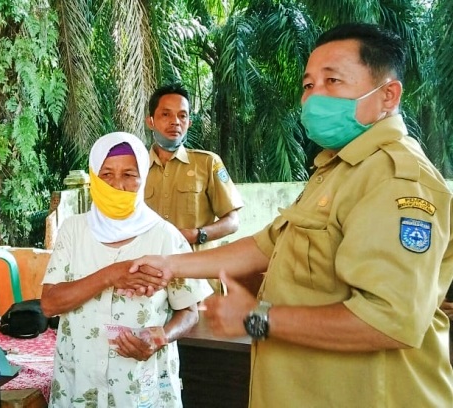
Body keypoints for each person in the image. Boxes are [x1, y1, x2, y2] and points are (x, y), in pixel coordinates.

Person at [130, 23, 453, 407]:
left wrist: (256, 319)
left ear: (387, 95)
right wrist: (170, 265)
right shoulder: (337, 170)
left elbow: (390, 321)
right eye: (309, 85)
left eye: (333, 81)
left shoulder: (397, 180)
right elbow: (267, 244)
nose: (314, 98)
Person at [40, 132, 212, 407]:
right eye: (106, 174)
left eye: (129, 174)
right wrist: (111, 274)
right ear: (94, 177)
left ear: (144, 177)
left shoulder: (165, 236)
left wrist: (161, 337)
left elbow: (189, 312)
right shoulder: (73, 231)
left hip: (140, 387)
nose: (117, 185)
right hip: (80, 384)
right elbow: (49, 304)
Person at [144, 83, 243, 251]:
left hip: (197, 271)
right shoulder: (136, 168)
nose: (175, 122)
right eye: (166, 114)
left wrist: (197, 235)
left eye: (182, 116)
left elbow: (232, 222)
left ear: (189, 123)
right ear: (150, 121)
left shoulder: (207, 163)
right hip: (151, 270)